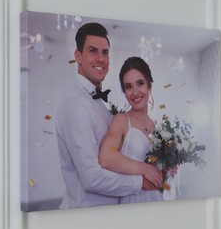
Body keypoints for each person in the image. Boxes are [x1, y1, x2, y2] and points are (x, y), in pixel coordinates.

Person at [55, 23, 161, 209]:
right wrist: (141, 182)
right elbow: (92, 177)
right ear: (78, 56)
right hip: (84, 215)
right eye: (93, 51)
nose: (101, 58)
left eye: (105, 52)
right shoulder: (76, 104)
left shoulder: (99, 105)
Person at [99, 56, 166, 204]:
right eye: (129, 87)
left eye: (140, 84)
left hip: (157, 200)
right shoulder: (122, 120)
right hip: (133, 202)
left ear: (149, 85)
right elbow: (106, 157)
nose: (135, 92)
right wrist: (144, 169)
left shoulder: (157, 127)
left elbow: (158, 175)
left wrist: (167, 171)